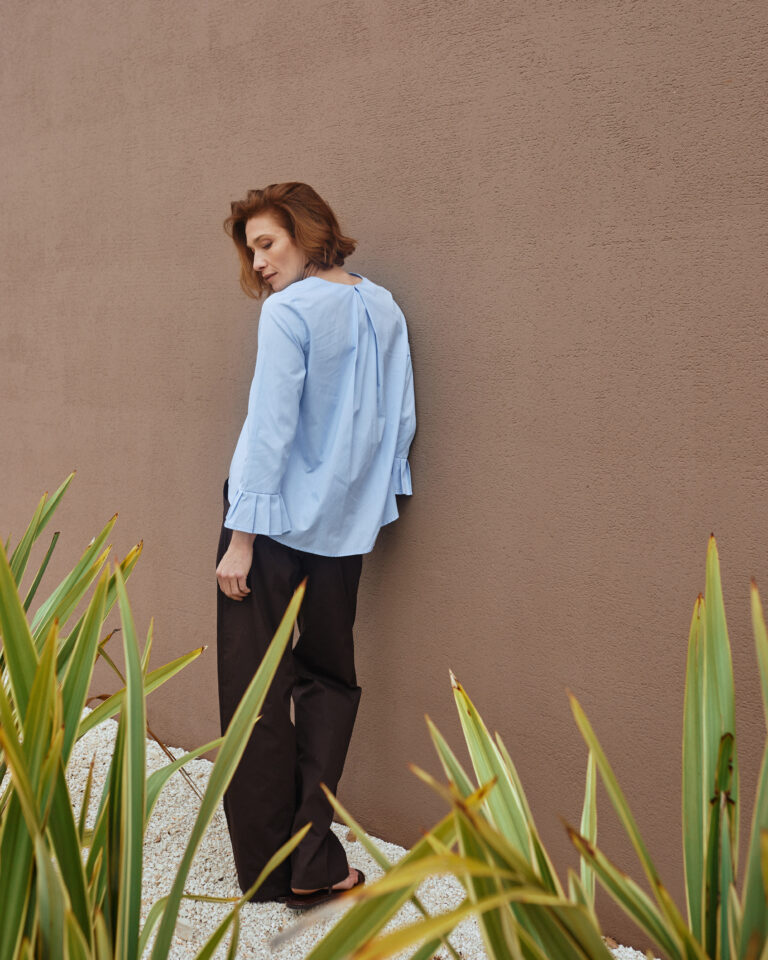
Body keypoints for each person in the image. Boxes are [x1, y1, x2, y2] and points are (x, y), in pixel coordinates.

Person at [215, 182, 416, 910]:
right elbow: (399, 421)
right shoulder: (384, 306)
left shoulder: (289, 312)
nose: (259, 263)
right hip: (343, 531)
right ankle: (314, 860)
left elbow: (270, 428)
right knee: (330, 681)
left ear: (305, 232)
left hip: (267, 526)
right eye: (251, 251)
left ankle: (272, 870)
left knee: (257, 687)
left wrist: (241, 539)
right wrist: (370, 506)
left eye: (267, 243)